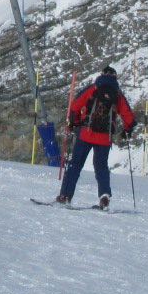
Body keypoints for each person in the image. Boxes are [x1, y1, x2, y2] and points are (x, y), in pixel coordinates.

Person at [56, 65, 134, 207]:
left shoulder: (93, 89)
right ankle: (104, 195)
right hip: (104, 137)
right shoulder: (117, 94)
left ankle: (65, 195)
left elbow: (75, 106)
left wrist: (74, 122)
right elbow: (129, 116)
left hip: (85, 133)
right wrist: (127, 130)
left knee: (75, 165)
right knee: (101, 167)